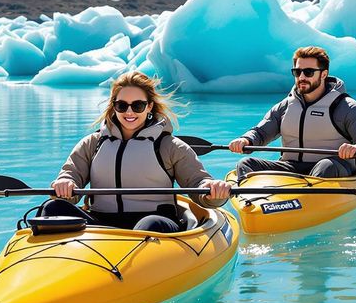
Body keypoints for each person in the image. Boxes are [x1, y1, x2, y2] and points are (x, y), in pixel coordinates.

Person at [39, 72, 232, 233]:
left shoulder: (170, 146)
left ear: (149, 106)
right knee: (52, 207)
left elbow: (198, 184)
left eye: (137, 105)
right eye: (122, 105)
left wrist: (213, 190)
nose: (129, 112)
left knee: (148, 225)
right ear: (114, 106)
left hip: (155, 225)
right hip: (100, 224)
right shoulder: (92, 143)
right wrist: (65, 184)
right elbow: (70, 175)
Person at [228, 45, 356, 179]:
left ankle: (308, 205)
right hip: (291, 167)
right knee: (246, 164)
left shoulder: (346, 107)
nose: (301, 77)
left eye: (308, 72)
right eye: (297, 72)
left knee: (325, 167)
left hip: (334, 169)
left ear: (323, 74)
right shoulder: (285, 106)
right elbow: (261, 133)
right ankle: (255, 205)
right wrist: (246, 140)